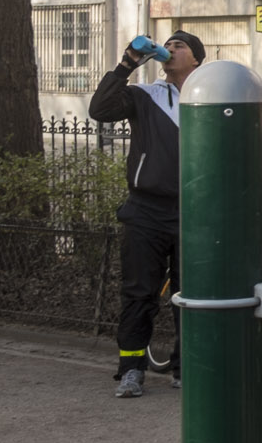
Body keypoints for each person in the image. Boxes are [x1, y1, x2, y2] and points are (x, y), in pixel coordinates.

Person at [88, 31, 206, 398]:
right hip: (146, 211)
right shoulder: (146, 95)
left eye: (180, 46)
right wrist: (126, 65)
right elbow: (100, 110)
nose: (169, 50)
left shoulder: (211, 98)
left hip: (195, 213)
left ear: (198, 61)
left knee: (191, 296)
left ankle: (185, 368)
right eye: (166, 46)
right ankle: (131, 369)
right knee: (139, 293)